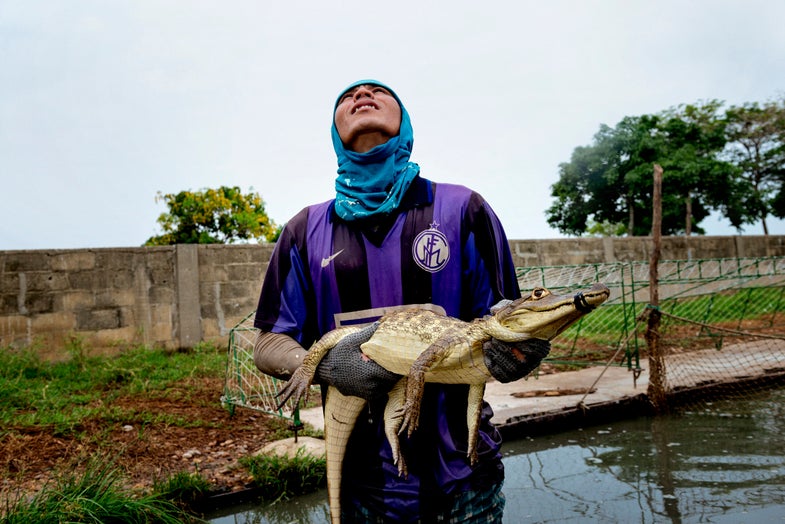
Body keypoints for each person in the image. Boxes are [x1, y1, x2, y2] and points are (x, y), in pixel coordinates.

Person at [253, 80, 550, 522]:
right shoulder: (303, 230)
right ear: (334, 133)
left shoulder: (463, 208)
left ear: (406, 125)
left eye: (378, 91)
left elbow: (507, 318)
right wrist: (327, 365)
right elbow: (268, 342)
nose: (361, 95)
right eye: (347, 97)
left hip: (465, 481)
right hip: (363, 487)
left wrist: (524, 347)